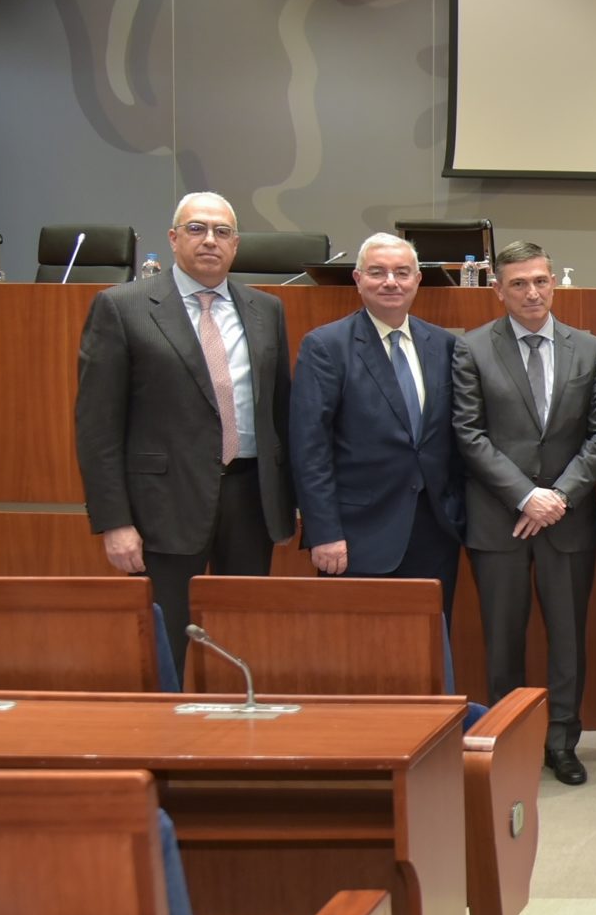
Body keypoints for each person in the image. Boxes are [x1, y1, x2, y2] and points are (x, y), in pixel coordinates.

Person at [74, 192, 294, 670]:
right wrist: (115, 521)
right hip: (163, 507)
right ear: (173, 239)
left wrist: (287, 501)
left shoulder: (266, 310)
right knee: (166, 646)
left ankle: (236, 717)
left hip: (250, 500)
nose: (210, 240)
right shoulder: (122, 307)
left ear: (235, 245)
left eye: (222, 231)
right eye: (197, 229)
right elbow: (97, 427)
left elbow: (280, 412)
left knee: (242, 641)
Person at [452, 240, 596, 786]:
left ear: (553, 283)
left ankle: (563, 742)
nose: (532, 292)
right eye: (518, 284)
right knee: (503, 641)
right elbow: (469, 435)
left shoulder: (588, 349)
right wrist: (526, 496)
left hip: (567, 519)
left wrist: (557, 498)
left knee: (568, 640)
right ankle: (508, 743)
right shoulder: (472, 349)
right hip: (499, 520)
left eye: (541, 281)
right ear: (498, 290)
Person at [290, 233, 465, 614]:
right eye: (377, 272)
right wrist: (324, 532)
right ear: (357, 279)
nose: (391, 282)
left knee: (428, 642)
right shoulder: (326, 346)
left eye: (402, 272)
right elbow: (309, 449)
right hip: (356, 536)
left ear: (417, 280)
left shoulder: (443, 345)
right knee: (357, 645)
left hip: (434, 533)